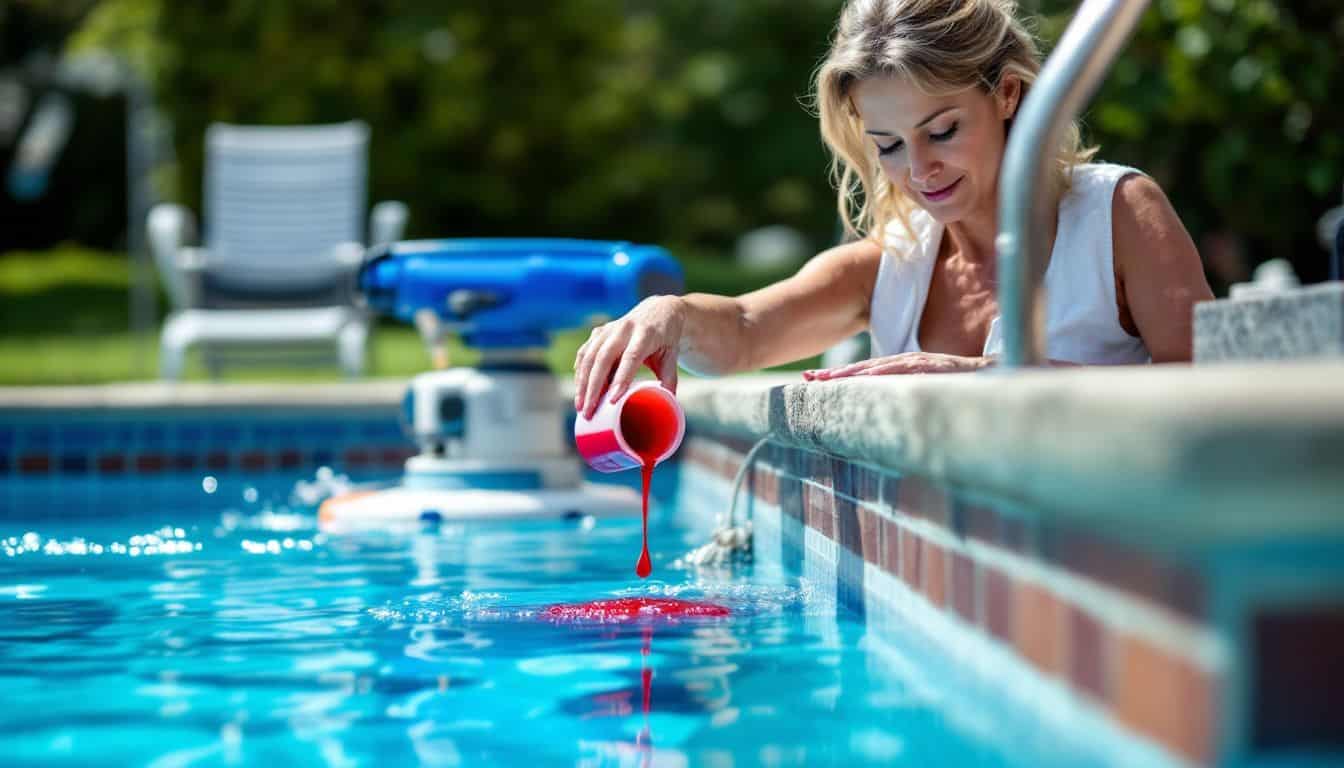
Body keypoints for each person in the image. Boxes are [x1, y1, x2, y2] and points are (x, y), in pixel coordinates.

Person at [573, 0, 1214, 419]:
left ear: (1010, 93)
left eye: (941, 131)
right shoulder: (894, 261)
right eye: (888, 145)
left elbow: (1212, 397)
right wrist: (670, 315)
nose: (918, 169)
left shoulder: (1119, 213)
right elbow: (744, 328)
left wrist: (993, 375)